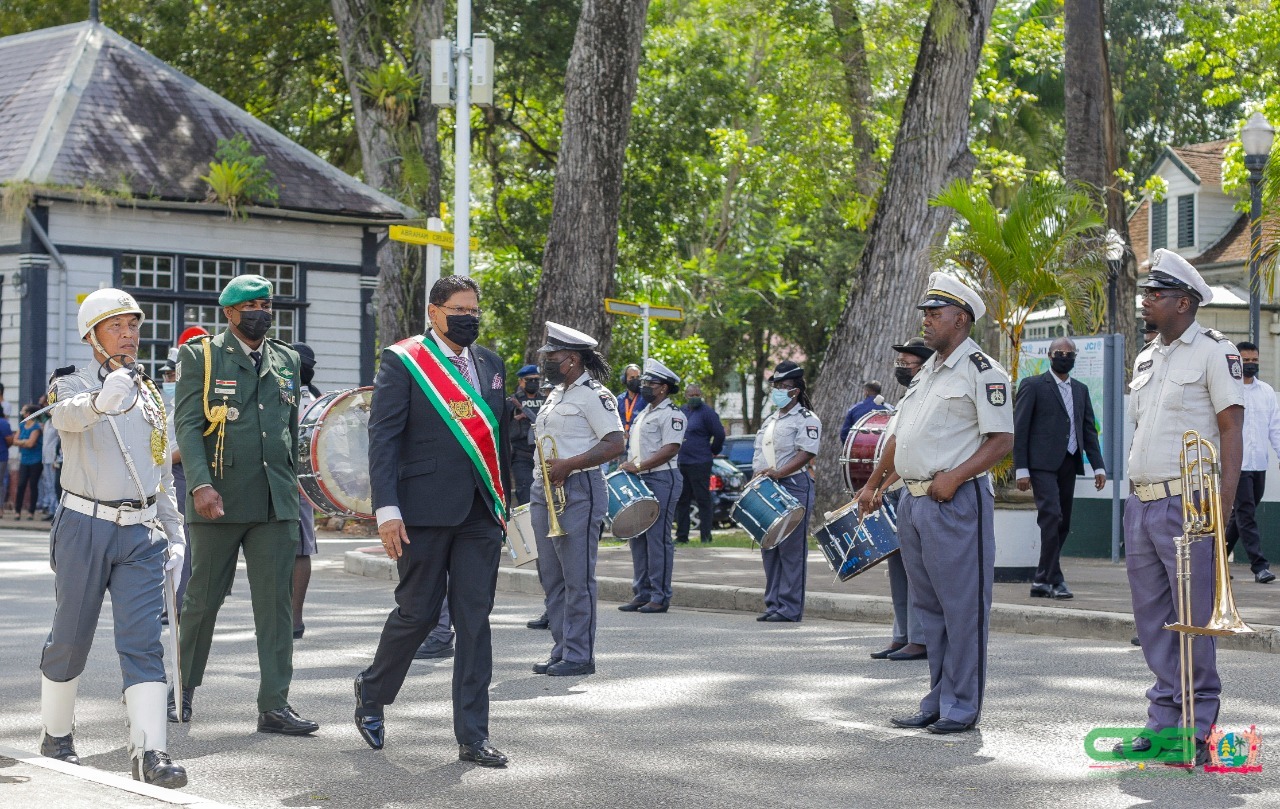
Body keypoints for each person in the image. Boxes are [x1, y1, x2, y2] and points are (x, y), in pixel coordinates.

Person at [354, 275, 511, 768]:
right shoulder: (403, 360)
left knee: (474, 621)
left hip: (480, 513)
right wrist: (387, 509)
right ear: (435, 311)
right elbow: (383, 439)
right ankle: (373, 690)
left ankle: (472, 735)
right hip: (421, 510)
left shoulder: (491, 364)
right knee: (417, 613)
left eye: (475, 308)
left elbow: (500, 441)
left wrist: (511, 504)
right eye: (460, 309)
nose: (470, 317)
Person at [39, 288, 187, 787]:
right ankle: (57, 735)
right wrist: (103, 401)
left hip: (140, 533)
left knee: (144, 640)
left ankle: (151, 753)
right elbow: (67, 418)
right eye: (116, 326)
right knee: (72, 635)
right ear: (92, 336)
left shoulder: (148, 392)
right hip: (85, 525)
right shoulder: (70, 382)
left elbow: (160, 467)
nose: (128, 335)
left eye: (133, 326)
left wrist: (176, 532)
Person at [858, 272, 1013, 734]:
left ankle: (962, 706)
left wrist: (957, 476)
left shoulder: (983, 371)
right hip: (914, 501)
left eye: (935, 313)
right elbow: (901, 435)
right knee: (930, 612)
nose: (926, 321)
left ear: (961, 319)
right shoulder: (927, 372)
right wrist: (876, 482)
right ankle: (938, 699)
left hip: (955, 500)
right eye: (925, 313)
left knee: (962, 609)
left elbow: (1002, 439)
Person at [1112, 250, 1245, 766]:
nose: (1145, 301)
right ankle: (1163, 719)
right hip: (1141, 503)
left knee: (1192, 621)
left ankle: (1194, 727)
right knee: (1152, 622)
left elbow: (1231, 430)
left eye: (1156, 295)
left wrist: (1223, 506)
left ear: (1184, 303)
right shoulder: (1149, 356)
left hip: (1189, 502)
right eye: (1147, 293)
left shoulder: (1215, 351)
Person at [171, 274, 317, 736]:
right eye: (251, 305)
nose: (261, 311)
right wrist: (199, 484)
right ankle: (181, 690)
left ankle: (275, 704)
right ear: (229, 313)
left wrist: (300, 484)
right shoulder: (202, 355)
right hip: (219, 496)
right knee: (202, 599)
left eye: (266, 303)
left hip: (276, 500)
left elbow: (291, 427)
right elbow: (189, 425)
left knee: (275, 605)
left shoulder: (287, 358)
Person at [530, 322, 625, 676]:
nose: (546, 362)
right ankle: (561, 647)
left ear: (571, 359)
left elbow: (615, 443)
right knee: (551, 575)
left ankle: (579, 654)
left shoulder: (594, 395)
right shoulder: (557, 394)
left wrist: (570, 464)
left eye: (551, 357)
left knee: (576, 576)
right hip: (545, 489)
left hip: (579, 488)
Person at [1013, 337, 1106, 600]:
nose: (1065, 356)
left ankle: (1042, 579)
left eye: (1070, 353)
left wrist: (1098, 466)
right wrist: (1022, 469)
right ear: (1050, 355)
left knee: (1063, 522)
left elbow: (1089, 430)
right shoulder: (1033, 385)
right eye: (1060, 352)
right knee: (1052, 516)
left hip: (1069, 461)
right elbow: (1020, 429)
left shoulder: (1080, 389)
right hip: (1041, 464)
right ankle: (1056, 580)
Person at [861, 337, 933, 661]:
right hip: (896, 489)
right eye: (899, 363)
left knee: (915, 566)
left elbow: (906, 447)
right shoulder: (906, 398)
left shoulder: (928, 396)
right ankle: (901, 634)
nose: (900, 368)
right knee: (897, 565)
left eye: (907, 363)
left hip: (915, 487)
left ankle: (920, 639)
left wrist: (878, 486)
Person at [752, 360, 820, 623]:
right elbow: (760, 454)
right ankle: (773, 604)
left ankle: (790, 607)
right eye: (776, 386)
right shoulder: (771, 420)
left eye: (784, 386)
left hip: (793, 484)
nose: (778, 390)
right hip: (768, 487)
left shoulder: (806, 419)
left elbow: (807, 452)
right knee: (769, 546)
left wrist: (780, 473)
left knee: (791, 550)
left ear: (796, 390)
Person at [618, 359, 685, 613]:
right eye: (644, 381)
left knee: (657, 538)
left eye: (650, 383)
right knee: (638, 537)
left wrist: (640, 466)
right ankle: (642, 592)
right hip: (641, 479)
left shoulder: (672, 415)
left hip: (661, 478)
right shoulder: (644, 413)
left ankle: (660, 595)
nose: (644, 386)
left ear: (664, 388)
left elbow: (670, 449)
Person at [1224, 341, 1277, 584]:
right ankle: (1259, 566)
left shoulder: (1266, 391)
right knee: (1246, 514)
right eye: (1246, 360)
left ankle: (1216, 561)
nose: (1251, 364)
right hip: (1237, 464)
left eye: (1254, 360)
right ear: (1236, 361)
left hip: (1259, 464)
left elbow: (1274, 428)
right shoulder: (1228, 390)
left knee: (1242, 514)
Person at [507, 364, 551, 630]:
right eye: (531, 380)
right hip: (523, 462)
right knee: (530, 519)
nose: (535, 383)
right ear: (522, 382)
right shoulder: (512, 401)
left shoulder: (547, 402)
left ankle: (555, 607)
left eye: (538, 379)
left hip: (549, 464)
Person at [292, 343, 322, 639]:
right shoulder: (315, 397)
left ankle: (294, 620)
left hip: (297, 481)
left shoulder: (309, 399)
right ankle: (289, 618)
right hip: (291, 481)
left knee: (299, 549)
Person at [675, 383, 725, 544]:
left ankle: (706, 536)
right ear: (686, 396)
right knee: (682, 500)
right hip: (682, 462)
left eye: (697, 394)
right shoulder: (681, 412)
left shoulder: (708, 413)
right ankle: (682, 536)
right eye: (691, 395)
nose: (694, 397)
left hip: (700, 462)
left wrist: (712, 451)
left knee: (703, 499)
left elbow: (719, 435)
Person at [617, 363, 646, 438]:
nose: (635, 380)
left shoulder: (646, 398)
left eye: (638, 377)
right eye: (632, 377)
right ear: (625, 379)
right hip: (623, 442)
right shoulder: (619, 399)